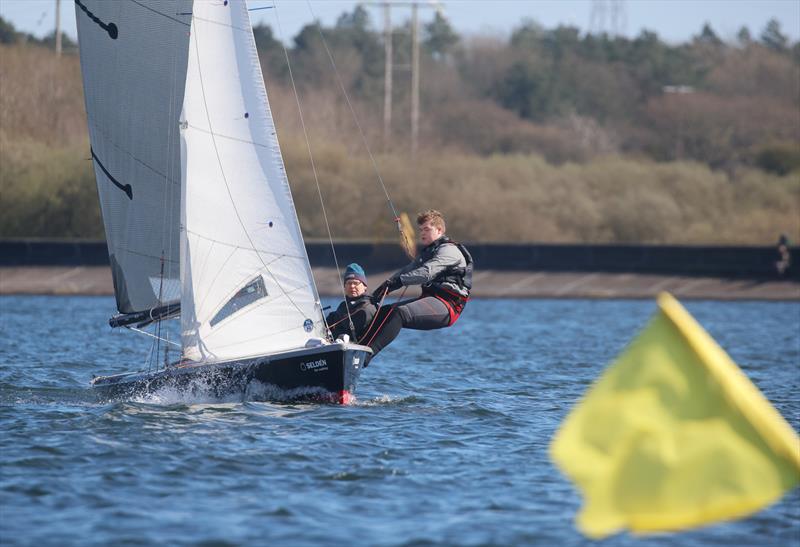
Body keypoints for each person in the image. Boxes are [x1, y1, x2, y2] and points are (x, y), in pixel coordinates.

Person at [363, 209, 473, 358]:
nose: (422, 233)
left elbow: (426, 273)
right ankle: (357, 344)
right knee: (385, 311)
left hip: (448, 307)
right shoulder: (429, 252)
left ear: (439, 230)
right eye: (421, 230)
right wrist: (386, 287)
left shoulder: (449, 250)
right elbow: (408, 270)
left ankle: (366, 355)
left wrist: (399, 281)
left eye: (427, 229)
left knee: (399, 314)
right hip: (431, 299)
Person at [325, 263, 377, 342]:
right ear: (345, 286)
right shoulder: (343, 306)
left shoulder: (369, 306)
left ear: (364, 286)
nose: (352, 286)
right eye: (349, 283)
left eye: (356, 283)